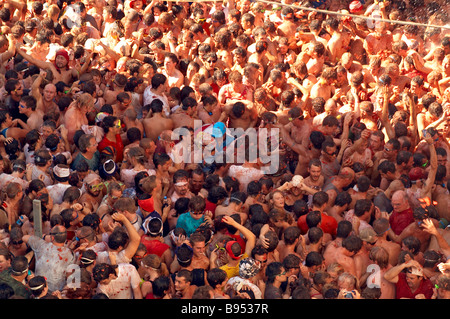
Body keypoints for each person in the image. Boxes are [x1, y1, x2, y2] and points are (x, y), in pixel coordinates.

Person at [22, 225, 75, 292]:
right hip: (57, 293)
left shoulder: (41, 245)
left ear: (52, 237)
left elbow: (24, 237)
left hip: (38, 290)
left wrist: (44, 237)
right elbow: (71, 279)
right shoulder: (71, 254)